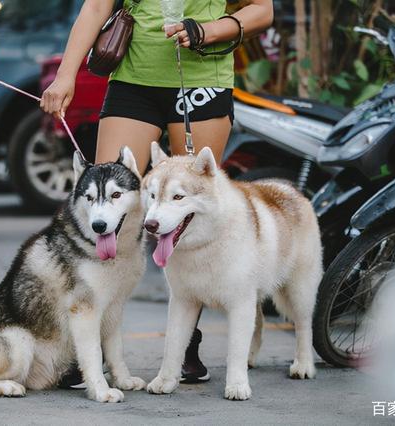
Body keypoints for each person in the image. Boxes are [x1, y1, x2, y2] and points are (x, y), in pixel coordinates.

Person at [41, 0, 273, 384]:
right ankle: (87, 349)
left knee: (190, 211)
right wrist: (66, 75)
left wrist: (208, 30)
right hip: (134, 79)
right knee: (110, 205)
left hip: (203, 79)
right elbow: (97, 6)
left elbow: (262, 11)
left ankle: (187, 344)